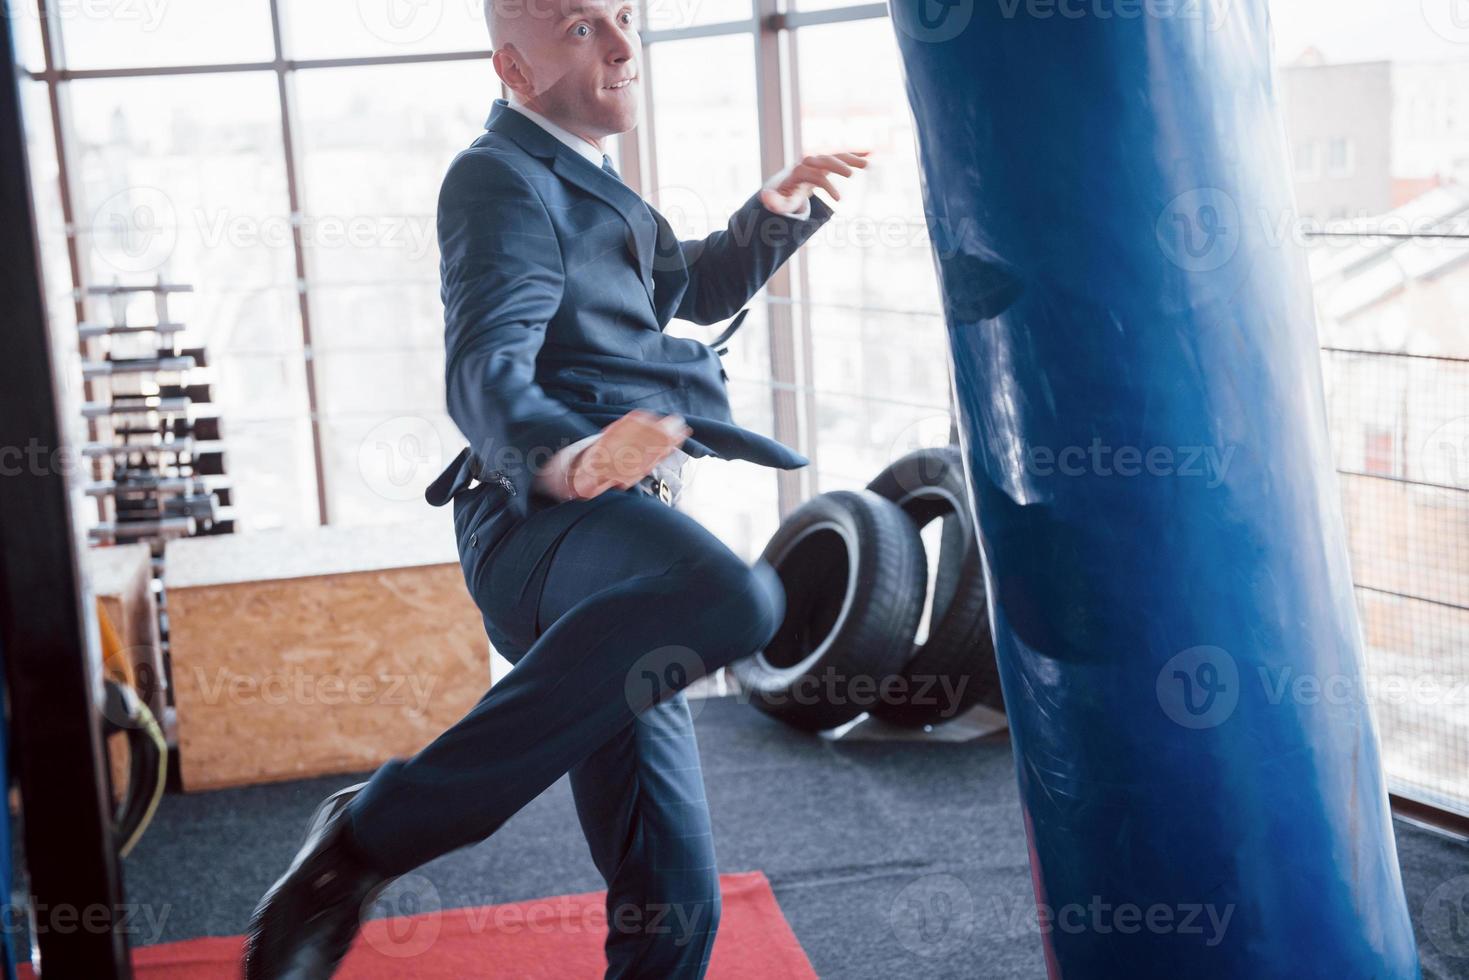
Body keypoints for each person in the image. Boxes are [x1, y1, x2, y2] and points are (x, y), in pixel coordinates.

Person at [243, 0, 868, 976]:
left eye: (624, 15)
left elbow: (681, 290)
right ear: (514, 68)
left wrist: (773, 215)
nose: (624, 44)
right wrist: (564, 457)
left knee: (673, 903)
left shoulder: (590, 181)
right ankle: (363, 838)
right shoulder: (494, 180)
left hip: (622, 561)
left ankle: (373, 838)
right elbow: (484, 368)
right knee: (733, 594)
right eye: (583, 26)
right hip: (540, 526)